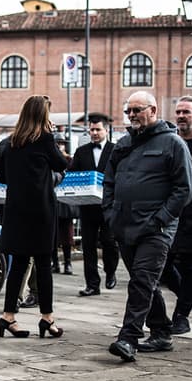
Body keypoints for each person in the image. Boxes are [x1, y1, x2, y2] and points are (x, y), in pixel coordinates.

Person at [105, 91, 192, 361]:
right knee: (144, 282)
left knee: (142, 280)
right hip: (125, 226)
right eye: (128, 111)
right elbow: (108, 182)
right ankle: (162, 332)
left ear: (153, 110)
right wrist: (110, 214)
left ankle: (128, 338)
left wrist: (160, 220)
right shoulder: (122, 145)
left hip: (156, 229)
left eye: (137, 110)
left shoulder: (173, 144)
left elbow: (184, 189)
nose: (131, 115)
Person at [0, 95, 68, 339]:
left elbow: (1, 177)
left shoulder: (11, 142)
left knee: (17, 264)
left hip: (16, 212)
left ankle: (8, 317)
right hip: (40, 212)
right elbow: (60, 165)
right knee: (43, 264)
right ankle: (47, 319)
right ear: (42, 115)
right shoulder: (45, 139)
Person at [70, 117, 119, 296]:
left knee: (109, 242)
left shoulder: (115, 150)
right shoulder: (81, 151)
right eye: (92, 130)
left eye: (98, 130)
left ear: (106, 130)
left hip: (108, 206)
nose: (94, 133)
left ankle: (111, 271)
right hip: (88, 206)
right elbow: (72, 174)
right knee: (88, 245)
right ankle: (92, 284)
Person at [167, 96, 192, 334]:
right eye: (178, 112)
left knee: (190, 268)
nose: (181, 116)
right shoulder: (172, 143)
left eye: (186, 112)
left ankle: (181, 314)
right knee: (164, 267)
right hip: (172, 214)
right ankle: (188, 295)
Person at [52, 135, 78, 276]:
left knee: (67, 234)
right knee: (53, 234)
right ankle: (55, 263)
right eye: (57, 143)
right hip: (53, 199)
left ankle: (67, 263)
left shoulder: (69, 160)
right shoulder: (50, 159)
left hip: (65, 201)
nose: (59, 146)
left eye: (61, 143)